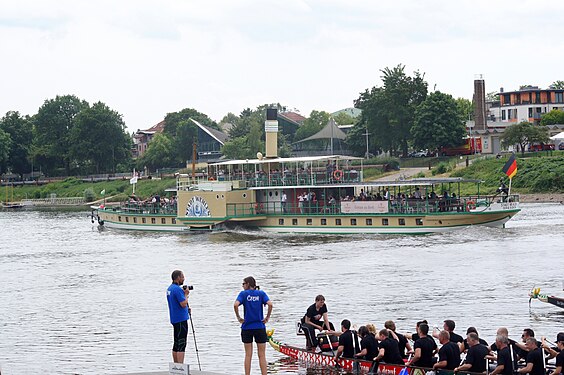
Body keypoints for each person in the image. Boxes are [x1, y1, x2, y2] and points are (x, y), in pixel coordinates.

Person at [234, 276, 273, 375]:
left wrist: (238, 317)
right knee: (262, 355)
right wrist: (267, 317)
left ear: (247, 284)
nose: (242, 286)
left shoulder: (243, 294)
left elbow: (235, 305)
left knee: (248, 355)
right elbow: (270, 304)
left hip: (247, 327)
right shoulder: (261, 293)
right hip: (259, 327)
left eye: (243, 284)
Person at [166, 269, 191, 364]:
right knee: (182, 343)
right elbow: (183, 304)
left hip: (174, 318)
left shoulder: (170, 288)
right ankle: (180, 366)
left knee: (176, 343)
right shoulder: (177, 289)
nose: (184, 279)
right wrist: (186, 295)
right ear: (178, 278)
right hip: (181, 319)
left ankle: (175, 365)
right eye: (182, 277)